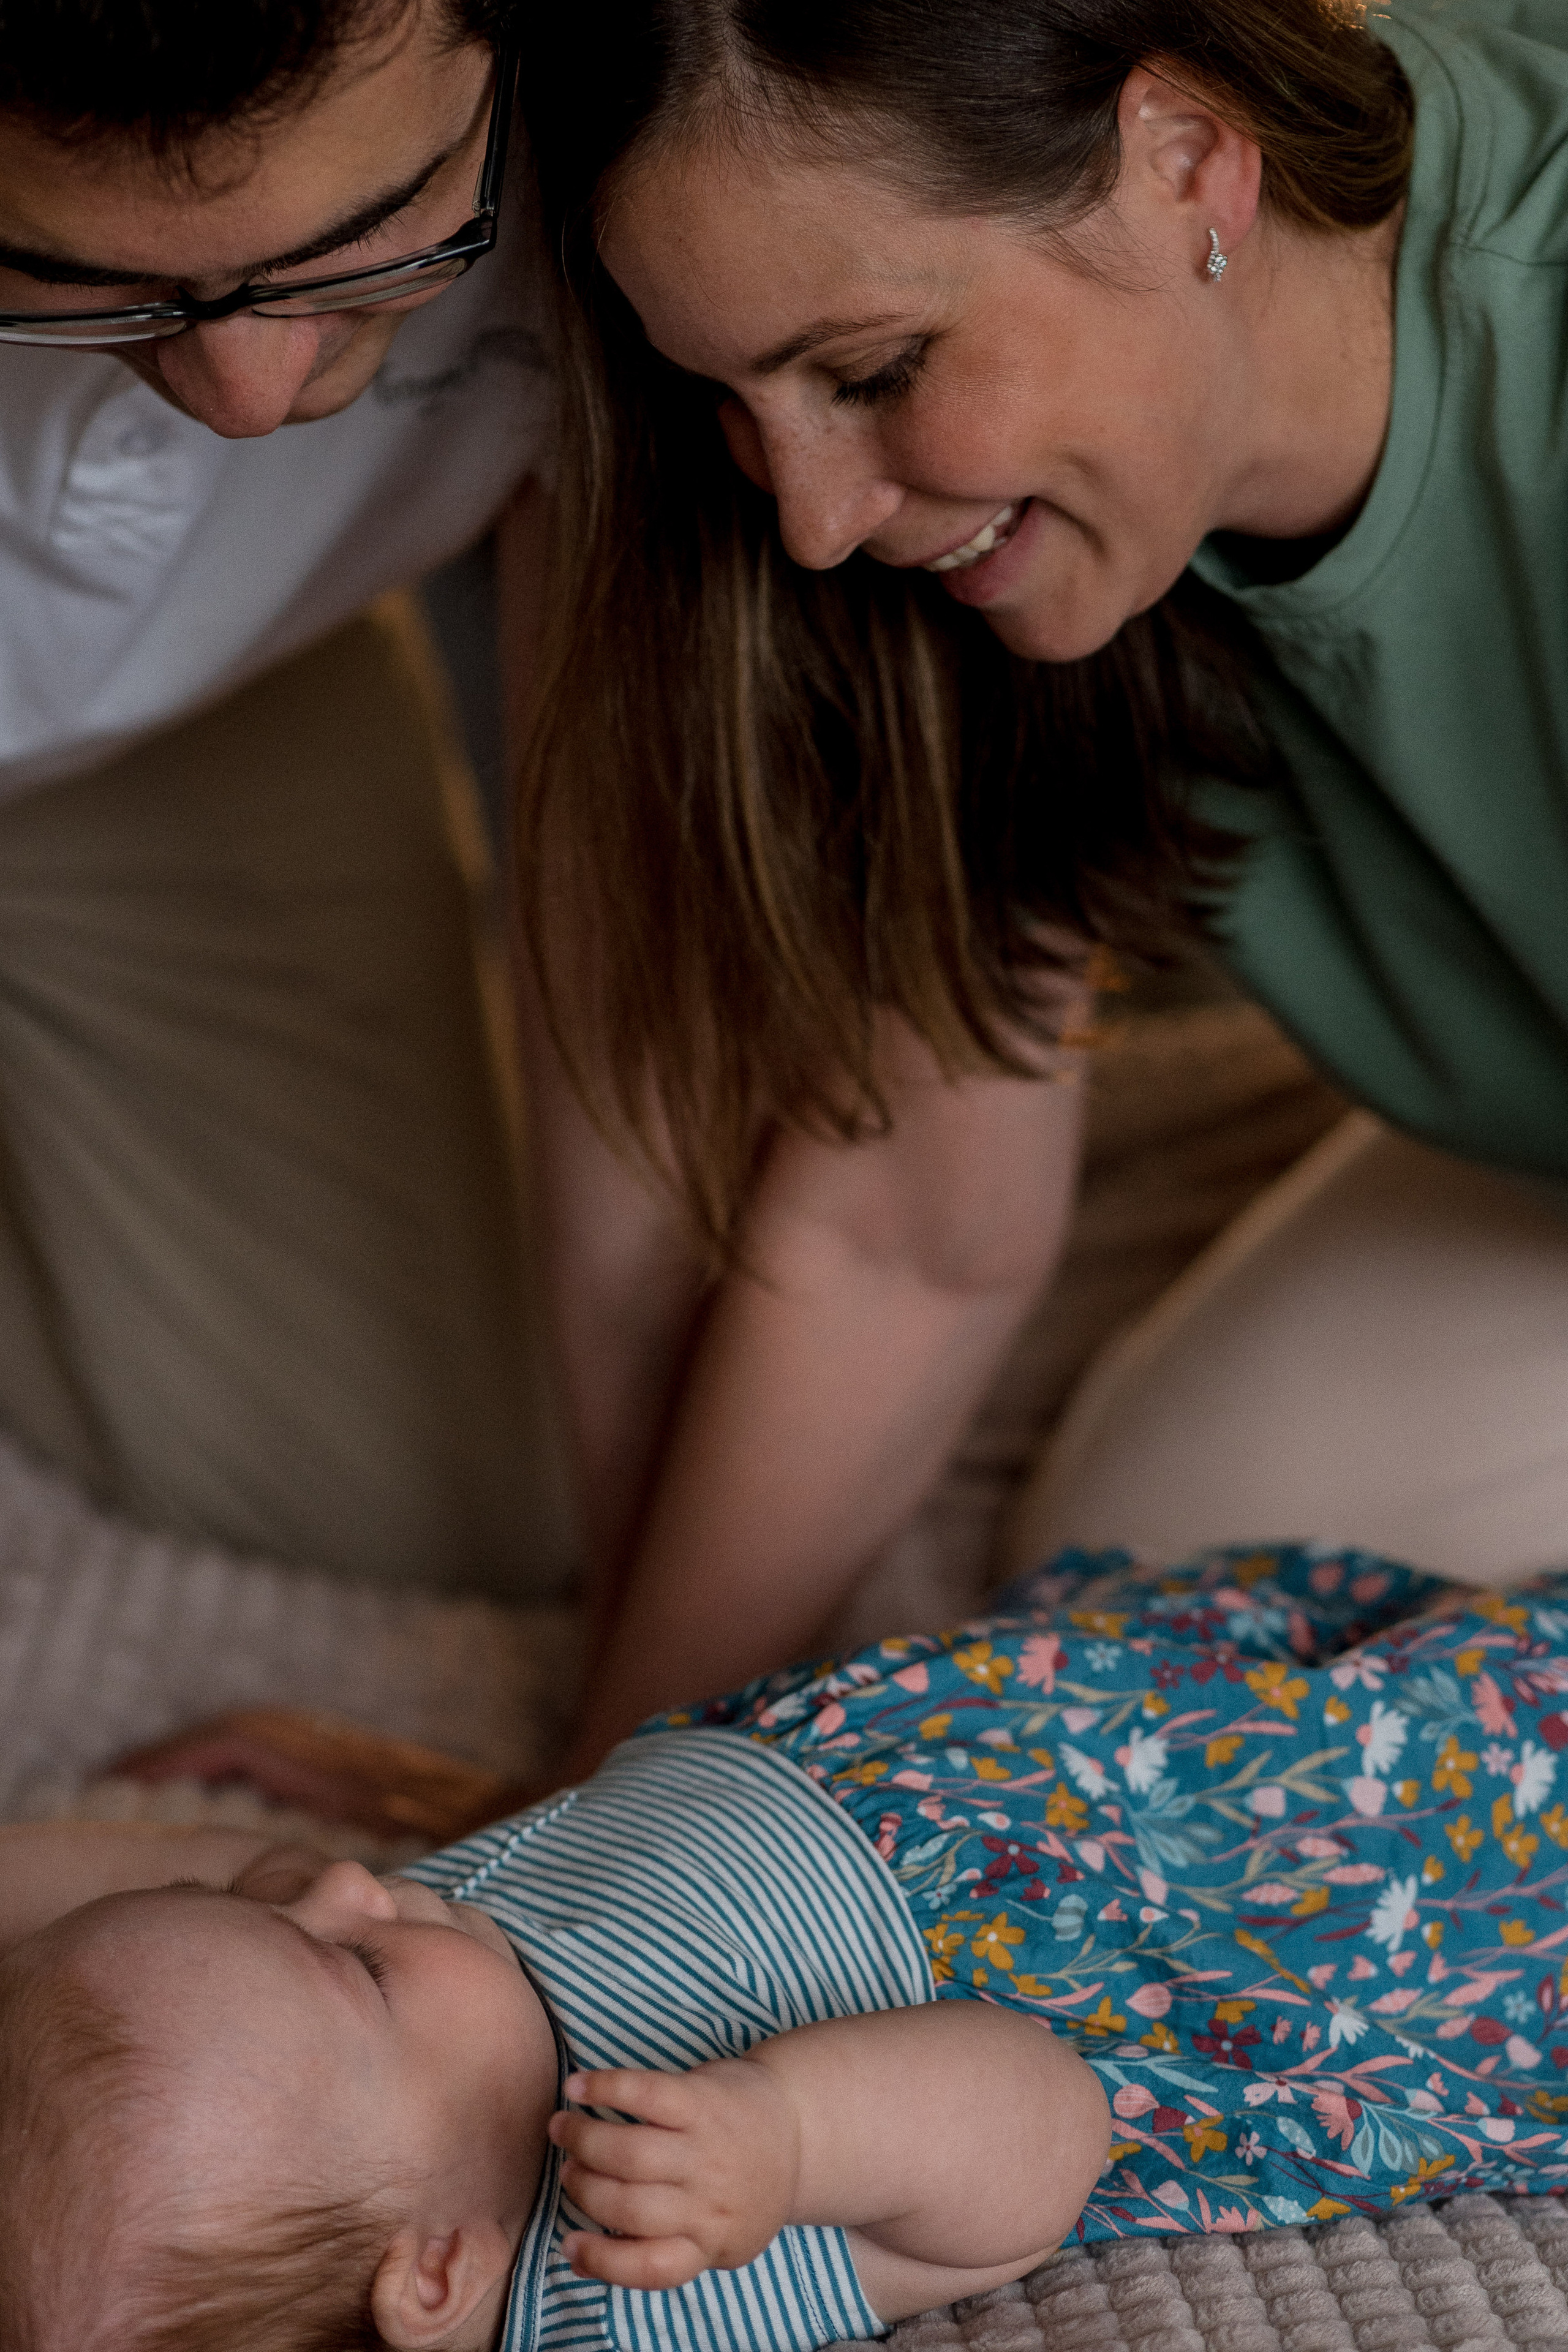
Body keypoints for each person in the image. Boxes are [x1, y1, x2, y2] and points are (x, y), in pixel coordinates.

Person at [500, 0, 1568, 1770]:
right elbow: (903, 1237)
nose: (814, 517)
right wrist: (584, 1849)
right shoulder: (1002, 543)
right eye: (733, 400)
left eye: (870, 370)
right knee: (1161, 1556)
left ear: (1183, 159)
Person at [4, 1542, 1568, 2352]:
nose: (347, 1887)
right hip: (1211, 1896)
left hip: (1029, 1735)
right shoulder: (629, 2265)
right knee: (1488, 1772)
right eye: (345, 1964)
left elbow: (240, 1874)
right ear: (434, 2274)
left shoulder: (402, 2002)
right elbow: (1043, 2124)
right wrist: (792, 2138)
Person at [0, 0, 573, 1595]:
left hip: (192, 723)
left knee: (452, 1521)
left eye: (370, 239)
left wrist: (638, 1793)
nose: (249, 395)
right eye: (72, 274)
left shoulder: (717, 90)